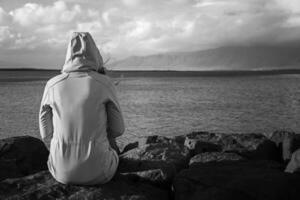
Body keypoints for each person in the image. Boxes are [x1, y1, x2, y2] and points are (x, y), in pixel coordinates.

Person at [39, 32, 125, 185]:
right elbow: (118, 130)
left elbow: (46, 134)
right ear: (95, 53)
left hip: (60, 172)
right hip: (100, 172)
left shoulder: (52, 84)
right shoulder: (104, 83)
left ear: (68, 55)